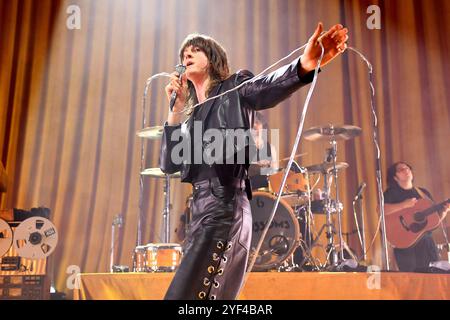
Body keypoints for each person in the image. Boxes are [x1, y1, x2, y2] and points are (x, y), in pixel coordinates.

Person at [160, 23, 349, 300]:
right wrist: (175, 113)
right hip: (200, 214)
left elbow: (267, 88)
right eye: (183, 53)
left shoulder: (234, 88)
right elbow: (169, 164)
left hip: (225, 207)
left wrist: (304, 65)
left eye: (195, 50)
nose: (187, 55)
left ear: (213, 59)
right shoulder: (192, 116)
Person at [384, 161, 450, 272]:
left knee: (432, 279)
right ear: (395, 177)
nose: (406, 170)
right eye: (401, 169)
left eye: (408, 168)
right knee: (412, 281)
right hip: (404, 244)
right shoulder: (391, 193)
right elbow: (381, 210)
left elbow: (432, 222)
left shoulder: (423, 193)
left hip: (426, 244)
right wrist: (404, 205)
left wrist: (444, 211)